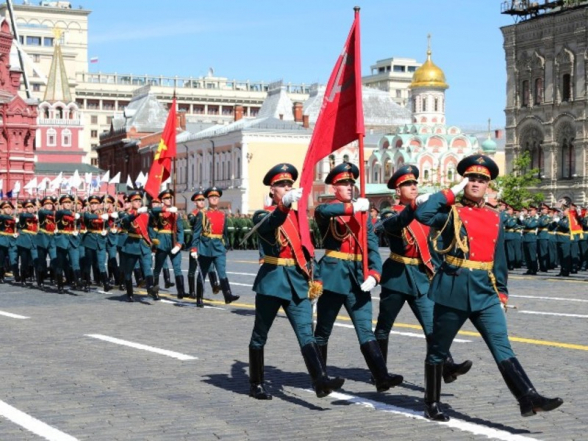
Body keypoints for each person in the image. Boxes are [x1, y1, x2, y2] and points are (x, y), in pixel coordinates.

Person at [415, 154, 563, 421]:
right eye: (471, 178)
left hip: (485, 292)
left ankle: (527, 398)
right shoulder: (452, 212)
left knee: (502, 345)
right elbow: (422, 214)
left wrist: (502, 291)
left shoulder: (496, 217)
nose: (476, 183)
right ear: (464, 181)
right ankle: (432, 403)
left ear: (488, 185)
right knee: (438, 348)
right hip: (454, 289)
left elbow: (499, 259)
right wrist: (450, 192)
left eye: (481, 180)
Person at [248, 163, 344, 400]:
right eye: (281, 185)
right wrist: (284, 204)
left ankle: (320, 380)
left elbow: (308, 250)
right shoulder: (263, 215)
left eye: (289, 184)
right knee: (260, 334)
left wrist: (317, 277)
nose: (287, 187)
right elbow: (271, 224)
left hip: (298, 281)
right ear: (272, 190)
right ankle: (256, 383)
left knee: (306, 333)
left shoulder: (298, 218)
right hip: (273, 281)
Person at [374, 165, 472, 384]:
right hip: (398, 276)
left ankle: (447, 366)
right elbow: (394, 224)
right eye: (407, 184)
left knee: (432, 327)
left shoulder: (424, 212)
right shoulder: (393, 212)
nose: (413, 187)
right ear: (397, 191)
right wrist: (413, 208)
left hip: (421, 275)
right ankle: (379, 372)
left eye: (415, 183)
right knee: (383, 327)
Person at [313, 162, 403, 392]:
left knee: (365, 329)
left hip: (358, 278)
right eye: (344, 184)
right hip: (333, 277)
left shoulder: (365, 216)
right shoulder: (329, 210)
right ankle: (320, 378)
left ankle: (381, 376)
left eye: (352, 183)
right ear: (335, 188)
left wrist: (374, 273)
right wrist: (351, 209)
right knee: (323, 330)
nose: (350, 187)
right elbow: (322, 212)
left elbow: (372, 247)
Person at [190, 187, 239, 304]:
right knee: (203, 272)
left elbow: (225, 232)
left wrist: (226, 245)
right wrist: (194, 248)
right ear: (208, 199)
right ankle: (199, 298)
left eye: (216, 197)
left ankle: (228, 295)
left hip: (218, 247)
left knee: (222, 271)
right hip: (205, 247)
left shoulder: (222, 215)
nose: (214, 199)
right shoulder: (202, 214)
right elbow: (196, 232)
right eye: (212, 197)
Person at [120, 191, 160, 302]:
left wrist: (153, 241)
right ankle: (129, 293)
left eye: (139, 200)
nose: (138, 202)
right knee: (128, 272)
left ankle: (151, 289)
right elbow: (126, 222)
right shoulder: (127, 214)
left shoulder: (145, 214)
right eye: (135, 201)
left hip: (144, 244)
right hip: (131, 245)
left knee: (148, 268)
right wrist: (136, 213)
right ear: (131, 202)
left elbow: (151, 225)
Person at [151, 189, 185, 298]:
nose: (169, 199)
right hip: (162, 241)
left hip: (173, 240)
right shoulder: (159, 211)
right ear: (162, 200)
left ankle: (181, 291)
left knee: (177, 267)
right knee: (158, 267)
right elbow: (153, 211)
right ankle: (155, 290)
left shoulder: (176, 213)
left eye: (170, 198)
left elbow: (180, 230)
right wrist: (167, 209)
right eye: (166, 198)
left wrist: (179, 244)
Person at [0, 200, 18, 283]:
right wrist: (13, 218)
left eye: (9, 208)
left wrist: (17, 233)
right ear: (2, 209)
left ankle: (17, 275)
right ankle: (1, 275)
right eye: (5, 208)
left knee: (14, 258)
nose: (7, 209)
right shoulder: (2, 217)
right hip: (2, 240)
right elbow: (3, 217)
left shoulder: (15, 219)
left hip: (12, 240)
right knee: (1, 259)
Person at [521, 205, 539, 275]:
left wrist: (523, 220)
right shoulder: (528, 219)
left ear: (535, 211)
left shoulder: (536, 219)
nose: (529, 212)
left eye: (531, 211)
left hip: (531, 239)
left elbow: (530, 225)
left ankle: (534, 269)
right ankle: (529, 268)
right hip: (525, 238)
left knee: (532, 255)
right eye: (529, 211)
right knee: (527, 255)